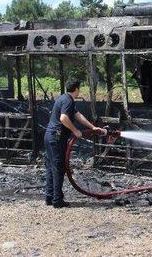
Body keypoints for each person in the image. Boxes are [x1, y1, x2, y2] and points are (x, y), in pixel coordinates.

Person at [44, 79, 106, 208]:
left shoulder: (64, 98)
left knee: (51, 167)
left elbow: (78, 115)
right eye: (80, 88)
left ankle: (49, 197)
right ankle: (57, 201)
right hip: (57, 138)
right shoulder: (67, 100)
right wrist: (75, 130)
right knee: (58, 168)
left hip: (50, 136)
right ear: (76, 89)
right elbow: (63, 118)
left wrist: (92, 127)